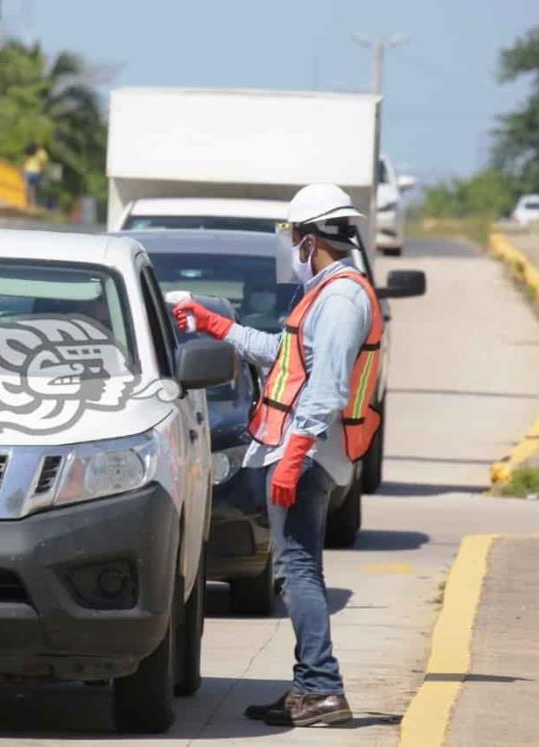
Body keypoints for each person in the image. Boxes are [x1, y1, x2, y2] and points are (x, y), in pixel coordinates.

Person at [173, 184, 383, 728]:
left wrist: (293, 454)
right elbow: (286, 356)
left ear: (311, 241)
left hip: (305, 454)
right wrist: (220, 326)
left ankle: (322, 689)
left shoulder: (340, 299)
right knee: (294, 566)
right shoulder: (326, 291)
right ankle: (308, 688)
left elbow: (329, 387)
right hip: (295, 449)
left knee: (298, 573)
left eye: (294, 238)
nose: (290, 247)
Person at [22, 142, 49, 208]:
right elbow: (43, 164)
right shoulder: (42, 153)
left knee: (27, 187)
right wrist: (42, 172)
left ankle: (26, 203)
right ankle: (32, 204)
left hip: (28, 171)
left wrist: (23, 169)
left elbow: (25, 160)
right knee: (33, 189)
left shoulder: (30, 150)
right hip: (36, 172)